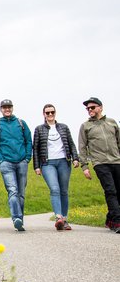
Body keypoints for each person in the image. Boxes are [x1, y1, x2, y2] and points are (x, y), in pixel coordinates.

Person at [32, 104, 79, 230]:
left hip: (64, 161)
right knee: (54, 189)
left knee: (64, 190)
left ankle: (64, 219)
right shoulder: (39, 129)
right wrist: (36, 166)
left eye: (52, 112)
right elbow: (35, 149)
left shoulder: (64, 127)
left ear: (55, 113)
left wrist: (75, 158)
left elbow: (71, 143)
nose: (50, 114)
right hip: (48, 163)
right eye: (47, 113)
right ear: (44, 115)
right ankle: (58, 217)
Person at [78, 97, 120, 234]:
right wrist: (84, 167)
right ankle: (118, 222)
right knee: (110, 190)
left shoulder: (112, 122)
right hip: (100, 163)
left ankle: (110, 219)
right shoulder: (86, 126)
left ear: (100, 107)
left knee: (118, 191)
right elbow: (82, 147)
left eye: (92, 107)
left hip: (116, 161)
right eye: (88, 108)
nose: (90, 110)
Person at [0, 99, 32, 231]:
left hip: (22, 162)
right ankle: (16, 218)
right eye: (4, 107)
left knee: (21, 193)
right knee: (12, 191)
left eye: (9, 107)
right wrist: (1, 160)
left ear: (12, 108)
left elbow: (28, 141)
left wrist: (27, 158)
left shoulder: (21, 123)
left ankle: (21, 220)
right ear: (1, 109)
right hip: (6, 163)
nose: (7, 109)